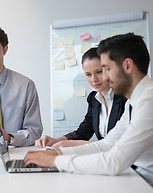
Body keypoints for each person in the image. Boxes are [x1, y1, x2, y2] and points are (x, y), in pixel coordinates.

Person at [24, 33, 153, 186]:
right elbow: (106, 145)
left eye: (107, 69)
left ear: (127, 66)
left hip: (145, 182)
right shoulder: (133, 102)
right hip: (136, 178)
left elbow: (114, 161)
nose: (104, 77)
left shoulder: (148, 102)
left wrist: (55, 161)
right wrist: (58, 153)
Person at [36, 48, 127, 148]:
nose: (94, 79)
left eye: (99, 72)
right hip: (105, 158)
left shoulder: (125, 98)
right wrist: (55, 140)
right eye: (88, 74)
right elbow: (83, 133)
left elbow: (123, 142)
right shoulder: (94, 99)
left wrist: (80, 144)